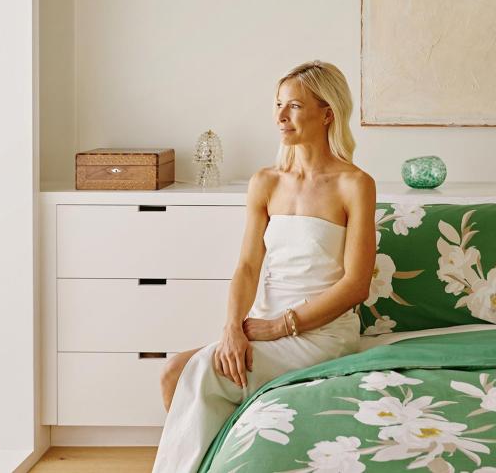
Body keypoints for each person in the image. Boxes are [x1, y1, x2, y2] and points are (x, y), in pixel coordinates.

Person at [152, 60, 376, 473]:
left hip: (320, 333)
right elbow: (247, 266)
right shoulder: (266, 182)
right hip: (260, 324)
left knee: (192, 372)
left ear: (327, 113)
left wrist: (279, 326)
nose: (279, 117)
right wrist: (232, 328)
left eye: (293, 106)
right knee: (172, 372)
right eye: (277, 105)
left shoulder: (355, 184)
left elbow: (356, 285)